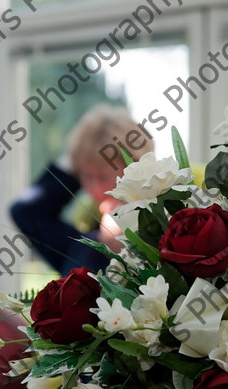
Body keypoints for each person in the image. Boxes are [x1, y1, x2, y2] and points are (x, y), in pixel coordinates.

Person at [10, 104, 154, 276]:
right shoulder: (83, 242)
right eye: (86, 176)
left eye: (102, 177)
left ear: (133, 170)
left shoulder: (164, 229)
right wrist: (79, 151)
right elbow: (26, 212)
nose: (94, 189)